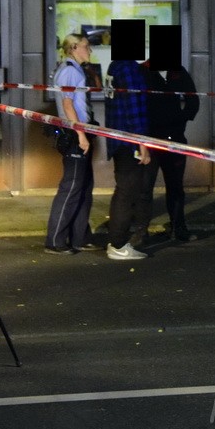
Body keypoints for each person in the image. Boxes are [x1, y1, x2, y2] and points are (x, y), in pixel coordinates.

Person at [44, 33, 99, 255]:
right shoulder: (69, 71)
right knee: (71, 188)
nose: (90, 50)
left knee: (83, 188)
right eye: (86, 46)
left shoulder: (75, 69)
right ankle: (55, 241)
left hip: (80, 132)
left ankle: (79, 238)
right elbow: (68, 106)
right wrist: (81, 135)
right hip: (76, 135)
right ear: (74, 47)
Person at [104, 46, 154, 261]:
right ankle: (118, 244)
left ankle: (117, 242)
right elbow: (135, 109)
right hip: (129, 141)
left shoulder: (114, 67)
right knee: (128, 192)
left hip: (117, 138)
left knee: (124, 190)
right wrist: (141, 143)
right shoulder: (130, 69)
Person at [143, 63, 200, 242]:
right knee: (144, 188)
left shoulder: (178, 71)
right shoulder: (143, 71)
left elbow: (193, 99)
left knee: (175, 187)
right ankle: (141, 231)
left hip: (174, 138)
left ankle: (179, 228)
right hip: (150, 139)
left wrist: (181, 119)